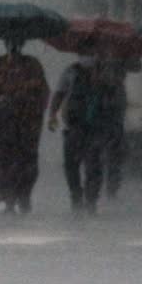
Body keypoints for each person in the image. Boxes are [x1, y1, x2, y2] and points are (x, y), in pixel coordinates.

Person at [48, 54, 128, 214]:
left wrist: (104, 80)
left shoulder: (107, 72)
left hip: (97, 128)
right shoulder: (71, 71)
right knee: (71, 165)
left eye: (91, 52)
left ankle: (91, 200)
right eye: (84, 52)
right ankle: (76, 197)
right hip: (75, 126)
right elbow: (60, 93)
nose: (87, 56)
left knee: (94, 166)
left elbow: (116, 97)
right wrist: (52, 115)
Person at [0, 37, 49, 214]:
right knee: (1, 160)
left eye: (17, 43)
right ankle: (7, 197)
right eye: (10, 43)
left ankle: (24, 196)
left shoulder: (32, 64)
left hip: (27, 122)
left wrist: (25, 90)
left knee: (26, 162)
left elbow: (42, 91)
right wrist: (0, 82)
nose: (13, 47)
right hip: (2, 121)